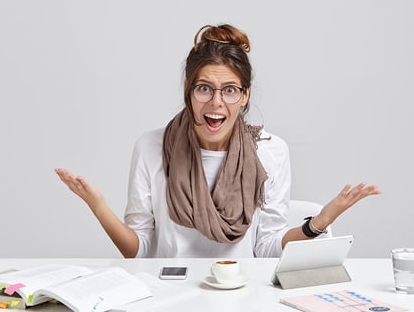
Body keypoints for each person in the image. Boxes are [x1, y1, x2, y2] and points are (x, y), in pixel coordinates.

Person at [55, 24, 380, 259]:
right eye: (204, 88)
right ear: (188, 90)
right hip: (170, 295)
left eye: (230, 90)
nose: (216, 103)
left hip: (243, 294)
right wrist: (97, 205)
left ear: (244, 95)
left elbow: (267, 250)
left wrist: (321, 222)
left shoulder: (271, 150)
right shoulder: (151, 147)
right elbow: (139, 252)